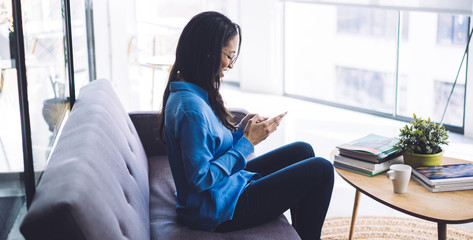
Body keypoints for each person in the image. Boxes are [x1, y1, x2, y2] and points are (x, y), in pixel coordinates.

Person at [159, 11, 334, 240]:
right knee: (322, 169)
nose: (231, 65)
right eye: (230, 56)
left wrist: (242, 130)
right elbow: (200, 180)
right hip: (216, 210)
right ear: (208, 52)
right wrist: (247, 143)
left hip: (224, 191)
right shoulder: (191, 110)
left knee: (303, 150)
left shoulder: (192, 89)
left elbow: (211, 146)